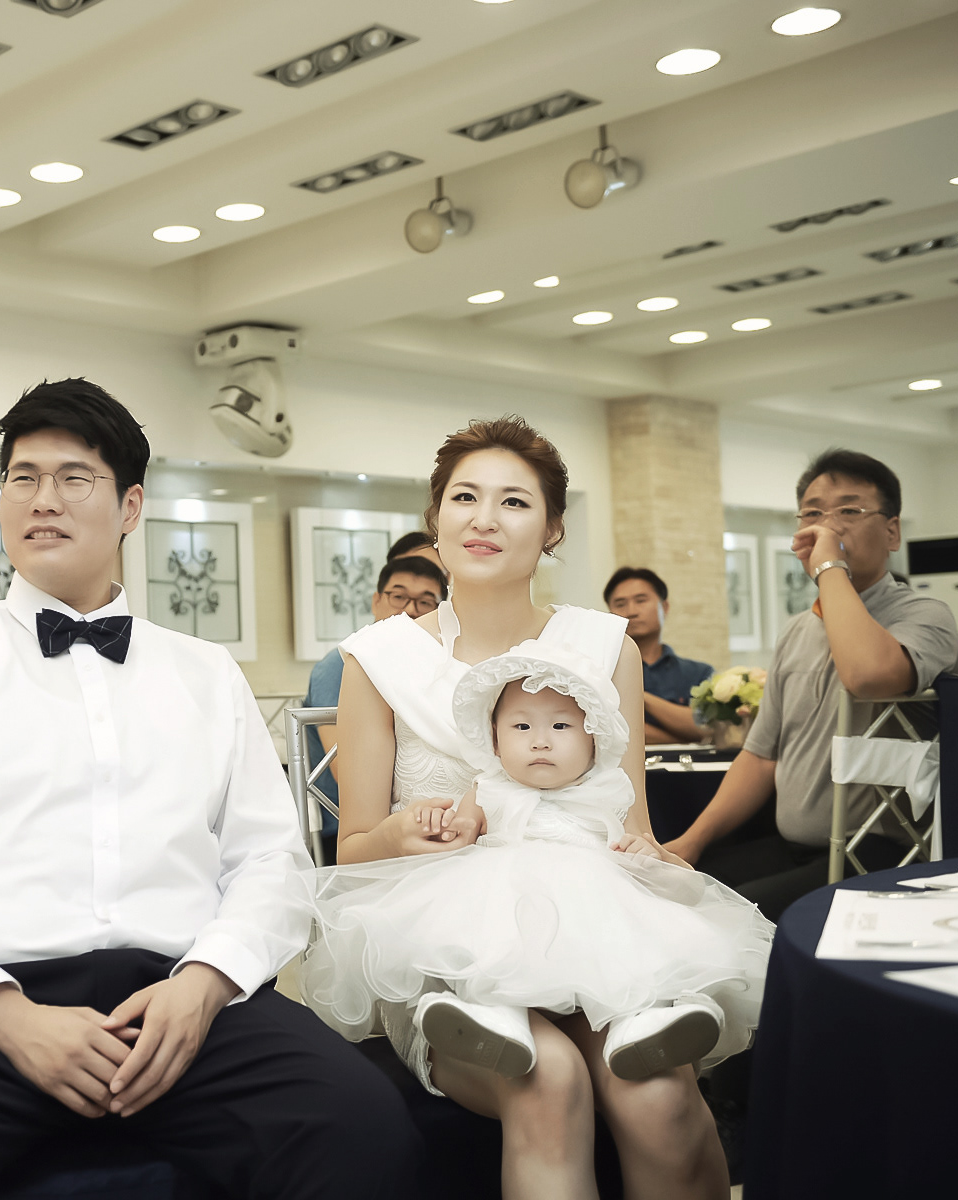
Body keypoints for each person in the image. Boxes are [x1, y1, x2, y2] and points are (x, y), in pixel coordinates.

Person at [0, 379, 421, 1200]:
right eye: (22, 477)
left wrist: (203, 986)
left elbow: (270, 862)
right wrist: (3, 1009)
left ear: (131, 506)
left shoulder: (206, 674)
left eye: (74, 478)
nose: (43, 499)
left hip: (185, 997)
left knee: (363, 1125)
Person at [314, 416, 730, 1199]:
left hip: (590, 925)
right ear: (436, 517)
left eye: (514, 501)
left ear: (552, 528)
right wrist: (401, 832)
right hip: (446, 950)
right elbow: (353, 849)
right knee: (549, 1080)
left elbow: (629, 823)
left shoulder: (603, 647)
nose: (485, 519)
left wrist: (655, 868)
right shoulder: (378, 658)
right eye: (464, 497)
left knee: (660, 1099)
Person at [302, 640, 771, 1091]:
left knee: (628, 953)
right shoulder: (488, 787)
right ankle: (496, 1019)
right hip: (507, 890)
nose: (540, 742)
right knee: (493, 945)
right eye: (521, 727)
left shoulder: (607, 789)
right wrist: (437, 823)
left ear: (594, 739)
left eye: (561, 727)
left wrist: (643, 854)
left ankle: (640, 1027)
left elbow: (628, 838)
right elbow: (461, 830)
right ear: (495, 741)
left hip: (595, 896)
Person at [662, 449, 958, 921]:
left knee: (725, 917)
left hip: (884, 853)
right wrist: (691, 842)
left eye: (849, 510)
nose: (827, 527)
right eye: (812, 514)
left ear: (892, 532)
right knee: (670, 894)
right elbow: (760, 757)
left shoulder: (924, 615)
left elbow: (868, 676)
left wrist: (830, 569)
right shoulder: (797, 630)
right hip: (795, 848)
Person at [303, 556, 450, 859]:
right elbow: (343, 771)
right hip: (346, 829)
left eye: (425, 601)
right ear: (376, 600)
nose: (410, 609)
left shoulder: (438, 666)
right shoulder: (342, 666)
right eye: (398, 596)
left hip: (433, 824)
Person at [603, 567, 714, 745]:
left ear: (665, 607)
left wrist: (639, 695)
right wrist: (682, 739)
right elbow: (606, 729)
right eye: (620, 604)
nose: (631, 611)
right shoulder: (601, 670)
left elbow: (705, 727)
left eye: (641, 600)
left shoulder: (698, 673)